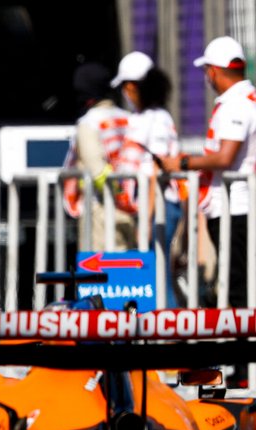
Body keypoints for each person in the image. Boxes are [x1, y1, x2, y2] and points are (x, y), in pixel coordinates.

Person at [159, 36, 256, 312]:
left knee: (237, 287)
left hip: (233, 209)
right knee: (241, 282)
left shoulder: (235, 103)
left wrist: (183, 163)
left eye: (206, 71)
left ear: (213, 71)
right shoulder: (247, 98)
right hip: (238, 206)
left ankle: (243, 353)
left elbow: (225, 156)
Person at [112, 52, 182, 302]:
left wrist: (149, 216)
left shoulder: (158, 119)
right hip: (147, 206)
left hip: (159, 205)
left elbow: (156, 169)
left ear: (132, 86)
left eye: (124, 87)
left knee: (157, 273)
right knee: (152, 270)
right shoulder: (143, 118)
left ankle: (169, 332)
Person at [63, 63, 134, 250]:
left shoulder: (88, 124)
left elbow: (98, 172)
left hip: (100, 211)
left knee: (99, 276)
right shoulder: (129, 118)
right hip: (135, 210)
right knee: (132, 275)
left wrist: (118, 196)